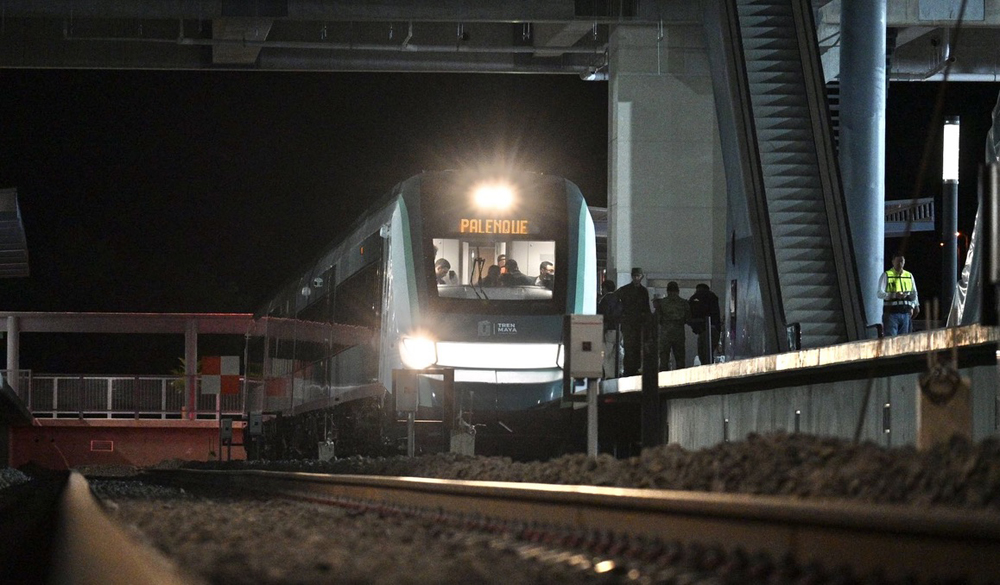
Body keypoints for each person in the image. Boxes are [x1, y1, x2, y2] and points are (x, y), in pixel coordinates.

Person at [616, 267, 651, 376]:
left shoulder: (643, 291)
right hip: (628, 324)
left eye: (638, 276)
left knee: (637, 348)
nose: (636, 278)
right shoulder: (624, 290)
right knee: (629, 348)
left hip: (639, 324)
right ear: (632, 276)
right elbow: (615, 302)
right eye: (635, 276)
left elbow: (646, 308)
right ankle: (628, 371)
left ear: (642, 277)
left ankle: (635, 369)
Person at [877, 253, 919, 336]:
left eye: (901, 261)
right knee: (891, 340)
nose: (900, 264)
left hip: (905, 313)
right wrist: (894, 295)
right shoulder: (887, 275)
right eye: (897, 261)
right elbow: (879, 294)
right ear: (893, 262)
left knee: (904, 341)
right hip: (891, 314)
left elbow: (914, 293)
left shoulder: (909, 276)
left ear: (904, 262)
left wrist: (913, 306)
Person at [656, 281, 692, 371]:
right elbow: (688, 319)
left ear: (667, 291)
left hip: (665, 334)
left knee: (664, 361)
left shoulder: (662, 303)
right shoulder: (683, 303)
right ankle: (681, 383)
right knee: (680, 361)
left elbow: (657, 319)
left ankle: (663, 382)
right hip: (679, 334)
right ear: (678, 291)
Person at [689, 283, 721, 365]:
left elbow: (691, 308)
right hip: (713, 329)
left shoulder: (697, 297)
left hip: (704, 329)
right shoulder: (713, 297)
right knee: (708, 354)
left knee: (703, 354)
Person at [597, 279, 624, 378]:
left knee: (606, 355)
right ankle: (617, 373)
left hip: (608, 330)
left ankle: (609, 376)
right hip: (619, 330)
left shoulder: (604, 300)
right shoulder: (619, 299)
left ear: (604, 288)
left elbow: (602, 316)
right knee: (616, 354)